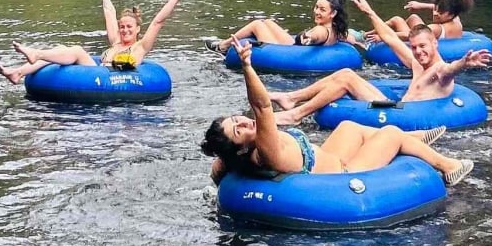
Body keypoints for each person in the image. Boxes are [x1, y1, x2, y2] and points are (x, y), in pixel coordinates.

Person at [201, 42, 473, 186]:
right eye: (239, 130)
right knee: (391, 133)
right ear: (239, 149)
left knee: (348, 125)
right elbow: (261, 107)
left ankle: (414, 138)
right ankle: (448, 167)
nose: (245, 122)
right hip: (342, 173)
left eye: (237, 119)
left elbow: (217, 170)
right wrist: (248, 66)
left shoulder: (229, 159)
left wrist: (216, 190)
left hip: (329, 157)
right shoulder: (264, 149)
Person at [0, 0, 195, 84]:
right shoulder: (115, 41)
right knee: (60, 48)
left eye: (128, 27)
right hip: (97, 72)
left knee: (76, 50)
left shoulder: (141, 47)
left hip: (112, 78)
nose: (124, 30)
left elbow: (158, 21)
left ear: (137, 30)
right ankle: (18, 73)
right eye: (122, 26)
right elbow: (109, 11)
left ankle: (36, 53)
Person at [348, 0, 492, 102]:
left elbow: (450, 69)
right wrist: (369, 12)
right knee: (346, 76)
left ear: (434, 43)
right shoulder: (416, 64)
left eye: (422, 46)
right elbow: (391, 38)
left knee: (345, 78)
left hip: (406, 117)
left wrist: (464, 63)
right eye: (414, 47)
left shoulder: (439, 70)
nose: (418, 51)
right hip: (396, 106)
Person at [207, 0, 349, 53]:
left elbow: (317, 35)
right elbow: (351, 38)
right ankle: (223, 45)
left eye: (322, 10)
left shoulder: (322, 30)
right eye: (316, 7)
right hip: (293, 47)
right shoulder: (337, 29)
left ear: (333, 13)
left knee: (257, 24)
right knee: (268, 22)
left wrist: (309, 38)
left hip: (291, 52)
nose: (317, 12)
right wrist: (361, 40)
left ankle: (223, 46)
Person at [386, 0, 473, 40]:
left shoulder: (436, 28)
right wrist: (420, 5)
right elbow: (440, 7)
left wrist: (384, 36)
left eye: (440, 12)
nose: (435, 13)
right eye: (435, 9)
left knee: (397, 20)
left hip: (418, 38)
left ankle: (372, 35)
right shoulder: (455, 18)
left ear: (451, 15)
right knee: (414, 18)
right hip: (438, 38)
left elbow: (410, 35)